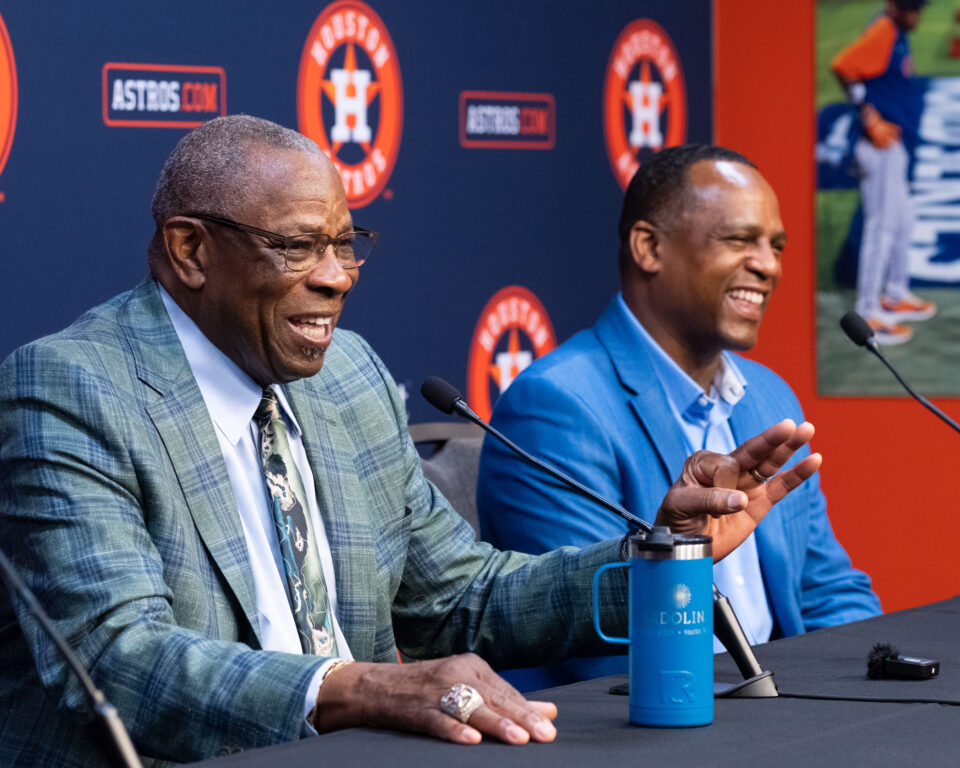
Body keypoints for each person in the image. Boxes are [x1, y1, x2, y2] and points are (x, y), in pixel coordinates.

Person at [0, 116, 820, 767]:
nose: (338, 276)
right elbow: (118, 659)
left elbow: (460, 599)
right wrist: (362, 690)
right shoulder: (72, 390)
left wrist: (664, 553)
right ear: (189, 250)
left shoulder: (347, 375)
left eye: (345, 243)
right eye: (297, 247)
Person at [478, 144, 881, 690]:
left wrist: (859, 692)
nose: (768, 265)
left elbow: (830, 589)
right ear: (649, 247)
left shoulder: (770, 397)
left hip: (779, 706)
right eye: (738, 240)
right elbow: (594, 638)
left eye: (776, 246)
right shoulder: (555, 406)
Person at [832, 0, 935, 345]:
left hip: (896, 144)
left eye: (918, 9)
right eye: (909, 8)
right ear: (893, 6)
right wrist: (869, 116)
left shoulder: (897, 31)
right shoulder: (884, 30)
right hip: (879, 146)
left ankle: (894, 293)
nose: (915, 15)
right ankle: (867, 310)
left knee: (902, 223)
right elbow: (843, 66)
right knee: (881, 229)